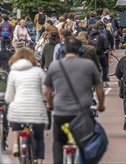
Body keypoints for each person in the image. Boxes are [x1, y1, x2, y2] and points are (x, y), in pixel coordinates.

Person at [44, 36, 105, 164]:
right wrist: (100, 105)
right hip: (82, 114)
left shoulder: (55, 66)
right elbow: (99, 89)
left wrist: (50, 105)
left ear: (63, 50)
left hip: (61, 114)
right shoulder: (89, 65)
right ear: (81, 50)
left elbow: (47, 91)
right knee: (89, 143)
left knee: (59, 141)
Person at [5, 47, 48, 163]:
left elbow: (9, 97)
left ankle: (16, 144)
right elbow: (45, 92)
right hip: (36, 110)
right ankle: (39, 161)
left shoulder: (13, 73)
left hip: (19, 110)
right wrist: (45, 101)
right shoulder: (38, 72)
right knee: (39, 138)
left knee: (15, 117)